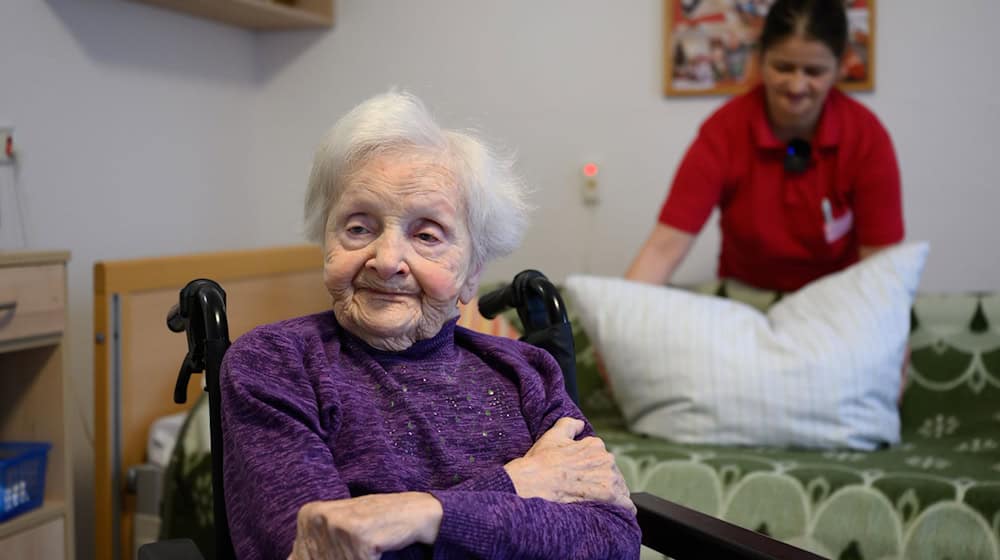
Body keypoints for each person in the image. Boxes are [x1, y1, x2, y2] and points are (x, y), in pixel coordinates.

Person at [219, 91, 641, 559]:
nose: (386, 261)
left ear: (473, 271)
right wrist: (522, 481)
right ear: (326, 240)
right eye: (359, 227)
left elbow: (612, 539)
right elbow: (327, 547)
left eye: (426, 235)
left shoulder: (526, 371)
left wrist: (422, 516)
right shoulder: (275, 364)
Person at [627, 0, 903, 292]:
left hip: (837, 303)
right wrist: (616, 320)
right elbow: (664, 248)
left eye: (814, 72)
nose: (797, 86)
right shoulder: (724, 132)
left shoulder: (866, 138)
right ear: (760, 59)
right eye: (783, 67)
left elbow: (881, 265)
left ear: (838, 68)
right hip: (747, 304)